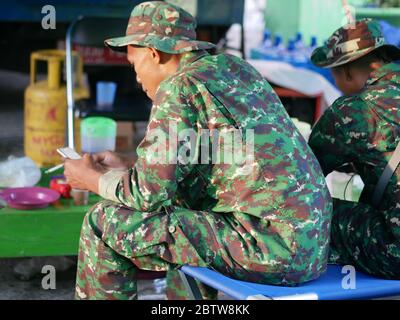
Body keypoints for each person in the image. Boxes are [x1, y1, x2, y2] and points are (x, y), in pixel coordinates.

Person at [64, 1, 332, 300]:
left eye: (134, 64)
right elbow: (223, 153)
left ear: (154, 53)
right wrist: (129, 163)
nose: (137, 77)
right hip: (310, 246)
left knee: (103, 222)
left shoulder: (179, 86)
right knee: (186, 206)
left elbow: (147, 195)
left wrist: (90, 179)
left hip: (268, 249)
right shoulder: (235, 69)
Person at [309, 19, 400, 279]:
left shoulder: (351, 110)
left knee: (323, 211)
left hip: (394, 254)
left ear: (346, 71)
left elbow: (303, 177)